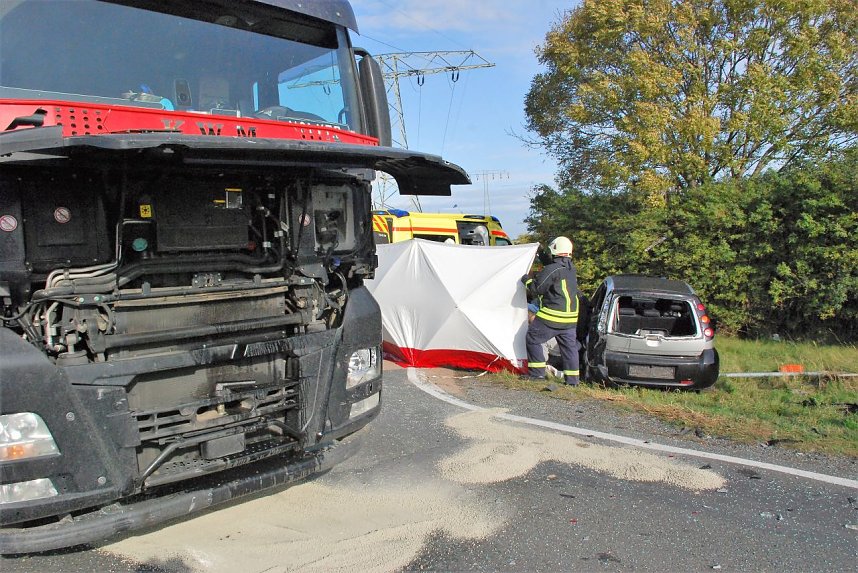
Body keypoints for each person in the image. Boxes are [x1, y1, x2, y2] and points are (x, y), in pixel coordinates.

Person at [521, 236, 580, 385]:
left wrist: (526, 280)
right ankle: (573, 381)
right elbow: (554, 270)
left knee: (533, 338)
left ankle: (537, 374)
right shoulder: (571, 268)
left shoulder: (552, 269)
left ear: (554, 250)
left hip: (552, 317)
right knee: (569, 349)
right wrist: (541, 255)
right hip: (570, 319)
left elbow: (537, 289)